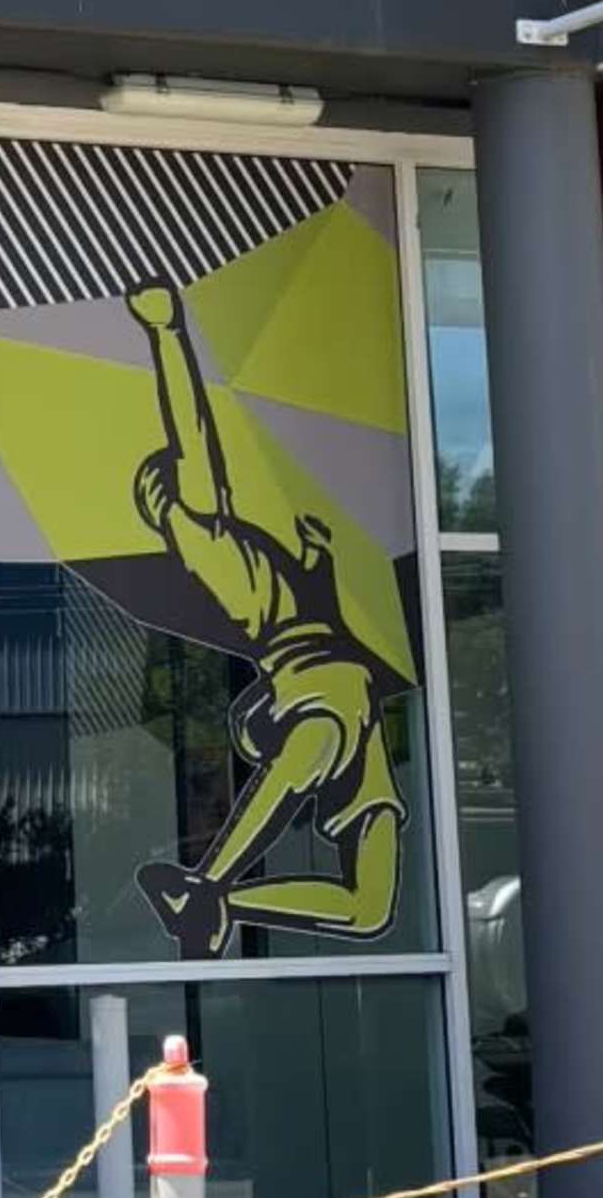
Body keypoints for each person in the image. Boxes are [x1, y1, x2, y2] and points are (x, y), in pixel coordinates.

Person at [123, 280, 401, 955]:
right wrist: (167, 334)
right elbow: (193, 435)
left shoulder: (261, 549)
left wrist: (322, 563)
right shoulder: (207, 541)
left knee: (368, 909)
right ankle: (210, 881)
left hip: (338, 684)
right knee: (315, 741)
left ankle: (216, 897)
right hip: (317, 681)